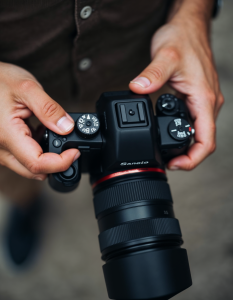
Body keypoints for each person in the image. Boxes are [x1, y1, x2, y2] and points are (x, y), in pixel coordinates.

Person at [0, 0, 224, 266]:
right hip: (12, 98)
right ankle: (26, 205)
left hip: (143, 71)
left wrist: (192, 16)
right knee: (19, 173)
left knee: (46, 165)